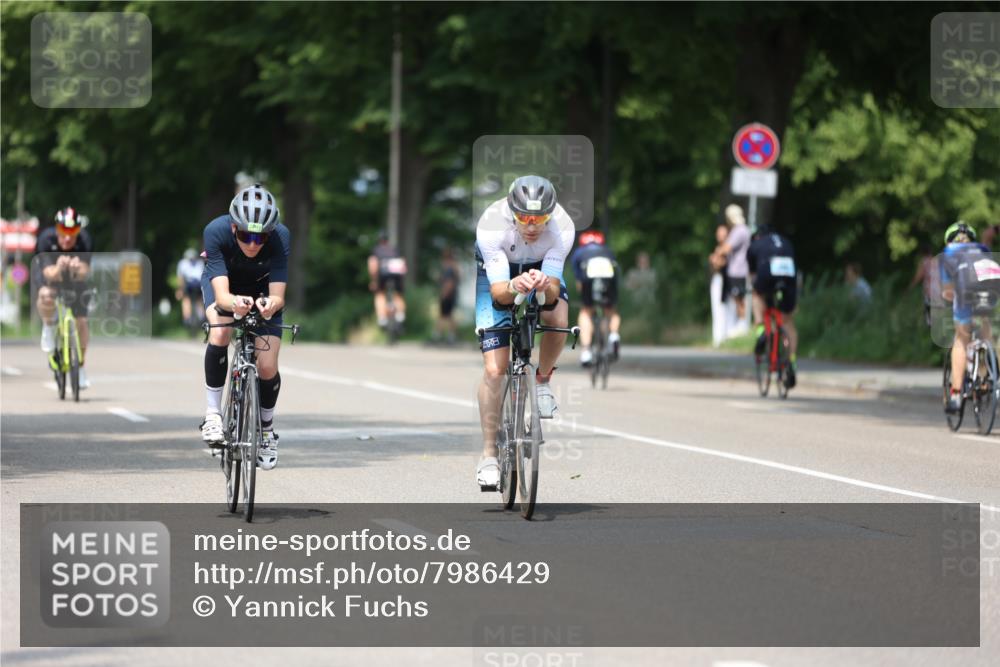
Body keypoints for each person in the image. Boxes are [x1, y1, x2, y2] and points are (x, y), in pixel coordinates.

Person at [474, 175, 574, 489]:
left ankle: (542, 382)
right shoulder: (491, 225)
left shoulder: (562, 228)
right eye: (524, 219)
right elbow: (500, 294)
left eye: (540, 219)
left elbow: (553, 293)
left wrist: (543, 288)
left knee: (557, 314)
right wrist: (516, 286)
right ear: (511, 211)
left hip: (540, 267)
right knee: (495, 369)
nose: (532, 226)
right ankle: (489, 454)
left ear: (551, 213)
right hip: (499, 274)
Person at [199, 184, 290, 470]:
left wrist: (270, 304)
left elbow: (278, 295)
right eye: (245, 235)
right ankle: (213, 414)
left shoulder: (281, 237)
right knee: (221, 329)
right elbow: (223, 296)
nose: (252, 243)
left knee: (266, 366)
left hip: (262, 289)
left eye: (260, 236)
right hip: (226, 286)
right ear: (233, 227)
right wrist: (233, 303)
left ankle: (266, 430)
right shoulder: (215, 231)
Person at [940, 221, 997, 414]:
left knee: (961, 338)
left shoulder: (948, 253)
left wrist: (948, 297)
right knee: (986, 329)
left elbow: (948, 292)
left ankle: (955, 394)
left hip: (965, 286)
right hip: (990, 280)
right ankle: (990, 372)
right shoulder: (981, 248)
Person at [35, 207, 93, 388]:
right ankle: (49, 327)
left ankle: (81, 367)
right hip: (51, 277)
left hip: (74, 280)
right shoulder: (46, 239)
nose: (68, 238)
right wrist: (59, 267)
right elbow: (48, 273)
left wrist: (77, 268)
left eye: (73, 232)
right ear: (57, 229)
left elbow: (85, 271)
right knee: (46, 295)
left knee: (81, 322)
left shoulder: (84, 239)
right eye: (63, 232)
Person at [748, 224, 798, 389]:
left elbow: (753, 277)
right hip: (789, 274)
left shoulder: (755, 245)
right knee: (787, 320)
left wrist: (754, 290)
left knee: (756, 295)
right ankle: (791, 361)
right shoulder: (786, 241)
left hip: (768, 271)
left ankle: (761, 329)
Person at [570, 230, 621, 366]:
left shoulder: (579, 253)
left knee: (586, 311)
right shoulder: (607, 250)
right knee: (610, 309)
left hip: (589, 276)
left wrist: (585, 298)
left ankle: (586, 352)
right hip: (609, 277)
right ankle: (614, 335)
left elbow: (579, 281)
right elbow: (616, 272)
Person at [718, 204, 751, 334]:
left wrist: (717, 254)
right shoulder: (741, 230)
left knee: (738, 298)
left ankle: (742, 325)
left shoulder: (739, 231)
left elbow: (726, 248)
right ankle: (737, 325)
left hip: (738, 269)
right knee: (736, 297)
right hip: (738, 269)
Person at [367, 232, 407, 330]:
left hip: (383, 273)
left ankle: (382, 318)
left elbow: (373, 264)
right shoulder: (394, 249)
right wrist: (401, 281)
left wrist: (373, 281)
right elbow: (403, 264)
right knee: (398, 295)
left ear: (379, 240)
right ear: (387, 240)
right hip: (396, 274)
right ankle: (400, 316)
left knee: (380, 294)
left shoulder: (377, 250)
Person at [709, 222, 730, 347]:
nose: (720, 236)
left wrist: (715, 259)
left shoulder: (727, 248)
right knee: (718, 309)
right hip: (718, 280)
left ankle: (725, 337)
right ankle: (717, 338)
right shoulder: (719, 248)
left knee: (727, 309)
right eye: (719, 233)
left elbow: (717, 263)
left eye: (723, 233)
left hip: (727, 280)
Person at [434, 247, 461, 345]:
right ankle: (450, 335)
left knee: (444, 315)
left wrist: (444, 294)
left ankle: (438, 335)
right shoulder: (454, 266)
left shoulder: (449, 267)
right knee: (449, 315)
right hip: (452, 294)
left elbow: (449, 282)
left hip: (448, 294)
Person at [175, 248, 205, 330]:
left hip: (193, 285)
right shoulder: (199, 263)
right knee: (195, 300)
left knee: (186, 299)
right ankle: (199, 316)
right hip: (196, 285)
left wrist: (180, 289)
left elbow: (180, 278)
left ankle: (188, 318)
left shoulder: (183, 263)